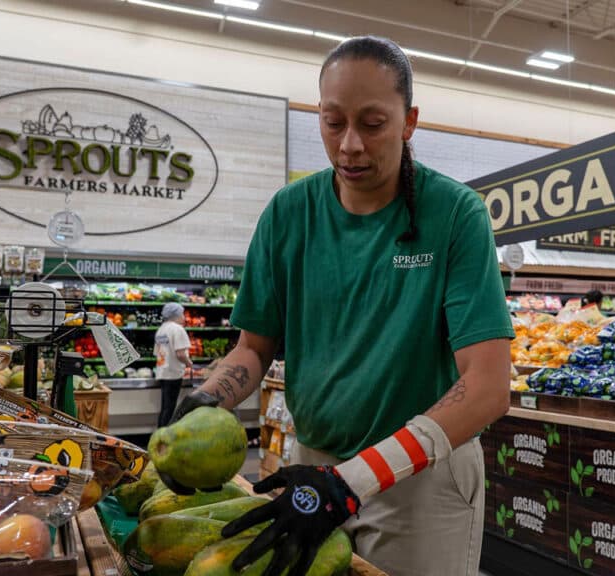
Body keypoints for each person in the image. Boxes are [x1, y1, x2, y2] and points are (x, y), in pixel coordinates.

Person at [163, 36, 513, 576]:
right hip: (312, 467)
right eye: (332, 122)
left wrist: (354, 481)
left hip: (419, 481)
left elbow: (487, 388)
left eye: (372, 124)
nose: (350, 144)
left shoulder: (455, 215)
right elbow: (254, 348)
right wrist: (206, 400)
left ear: (409, 121)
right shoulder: (288, 214)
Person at [153, 302, 193, 428]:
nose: (183, 317)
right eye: (182, 314)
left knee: (165, 408)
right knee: (170, 408)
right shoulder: (178, 329)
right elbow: (180, 353)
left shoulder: (161, 329)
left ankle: (160, 433)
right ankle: (164, 437)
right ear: (176, 315)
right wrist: (189, 363)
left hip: (162, 371)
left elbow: (157, 352)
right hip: (173, 373)